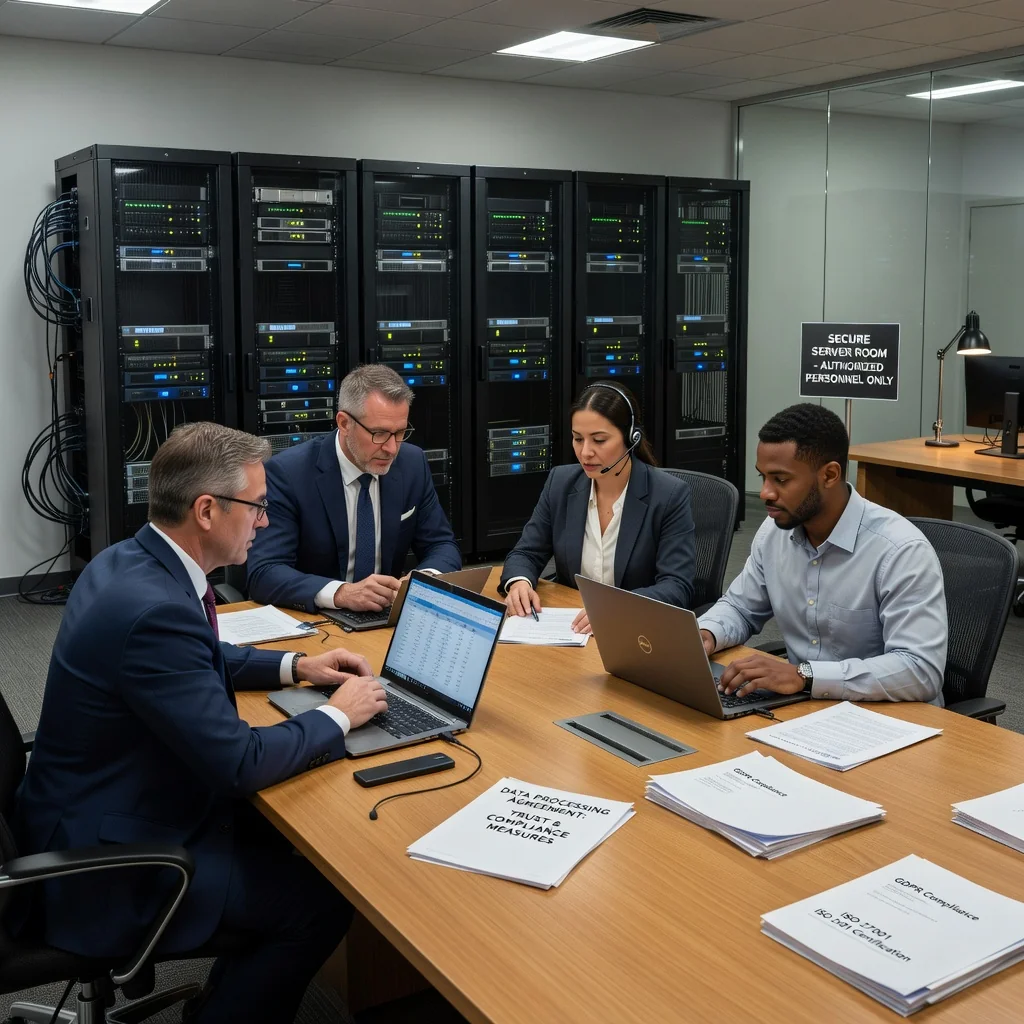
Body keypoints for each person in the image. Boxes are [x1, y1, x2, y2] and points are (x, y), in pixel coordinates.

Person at [13, 422, 390, 1024]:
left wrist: (297, 666)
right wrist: (337, 715)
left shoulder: (129, 561)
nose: (265, 521)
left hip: (81, 804)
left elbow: (195, 656)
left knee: (296, 842)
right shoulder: (155, 609)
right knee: (318, 904)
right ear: (208, 510)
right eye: (257, 506)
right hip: (107, 863)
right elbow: (238, 763)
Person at [698, 403, 947, 704]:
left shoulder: (900, 551)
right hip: (805, 705)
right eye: (762, 477)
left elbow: (920, 670)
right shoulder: (773, 533)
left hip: (889, 716)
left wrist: (806, 675)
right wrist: (707, 633)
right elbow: (740, 607)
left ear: (829, 475)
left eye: (780, 479)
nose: (765, 493)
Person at [247, 364, 461, 614]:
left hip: (384, 617)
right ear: (344, 423)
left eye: (400, 432)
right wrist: (342, 593)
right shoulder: (289, 473)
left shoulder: (412, 464)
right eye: (379, 433)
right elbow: (265, 572)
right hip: (319, 618)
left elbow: (442, 545)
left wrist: (422, 582)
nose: (392, 448)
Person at [499, 383, 696, 633]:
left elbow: (677, 586)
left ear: (631, 439)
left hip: (636, 632)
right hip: (574, 629)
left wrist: (614, 608)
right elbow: (526, 553)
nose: (585, 452)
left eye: (599, 440)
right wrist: (519, 583)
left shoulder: (668, 495)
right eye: (578, 439)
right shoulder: (560, 483)